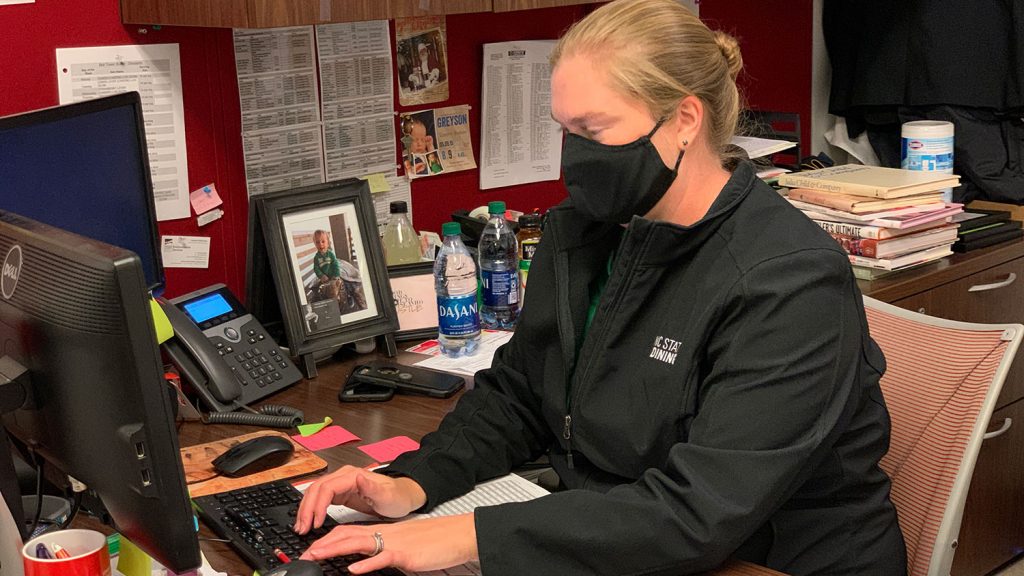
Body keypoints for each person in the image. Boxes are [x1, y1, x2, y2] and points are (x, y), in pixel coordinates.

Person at [294, 1, 907, 574]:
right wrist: (412, 484)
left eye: (594, 128)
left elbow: (701, 510)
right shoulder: (582, 232)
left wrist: (458, 536)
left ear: (684, 121)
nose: (575, 156)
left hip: (768, 560)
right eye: (566, 130)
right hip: (625, 536)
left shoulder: (788, 280)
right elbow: (519, 394)